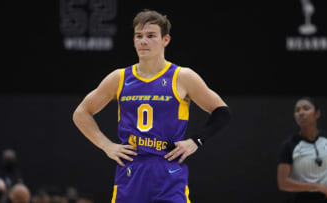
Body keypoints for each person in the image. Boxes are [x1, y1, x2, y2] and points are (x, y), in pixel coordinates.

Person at [73, 9, 231, 203]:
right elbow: (81, 113)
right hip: (131, 170)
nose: (143, 41)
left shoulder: (182, 77)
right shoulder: (119, 78)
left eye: (150, 36)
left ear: (166, 40)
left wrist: (195, 141)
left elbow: (222, 112)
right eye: (138, 36)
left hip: (168, 170)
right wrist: (107, 146)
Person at [277, 97, 327, 203]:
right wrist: (317, 187)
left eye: (306, 108)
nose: (301, 113)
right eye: (297, 110)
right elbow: (283, 183)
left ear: (317, 114)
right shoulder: (289, 145)